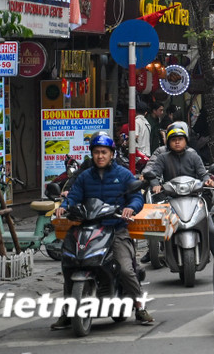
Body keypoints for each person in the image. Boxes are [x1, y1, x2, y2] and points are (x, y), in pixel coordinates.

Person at [52, 132, 153, 327]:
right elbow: (74, 196)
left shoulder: (123, 174)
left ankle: (140, 307)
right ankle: (67, 311)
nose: (100, 156)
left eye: (104, 152)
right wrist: (65, 206)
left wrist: (131, 207)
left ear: (111, 154)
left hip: (115, 229)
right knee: (69, 264)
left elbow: (136, 196)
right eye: (96, 152)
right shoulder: (84, 177)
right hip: (88, 227)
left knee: (125, 268)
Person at [143, 123, 214, 254]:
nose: (177, 142)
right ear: (169, 142)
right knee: (156, 229)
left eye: (180, 139)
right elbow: (154, 174)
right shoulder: (162, 157)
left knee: (210, 228)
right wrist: (155, 184)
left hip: (194, 198)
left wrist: (208, 181)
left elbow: (203, 173)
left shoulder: (193, 156)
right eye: (173, 140)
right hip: (171, 198)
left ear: (186, 141)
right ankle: (152, 254)